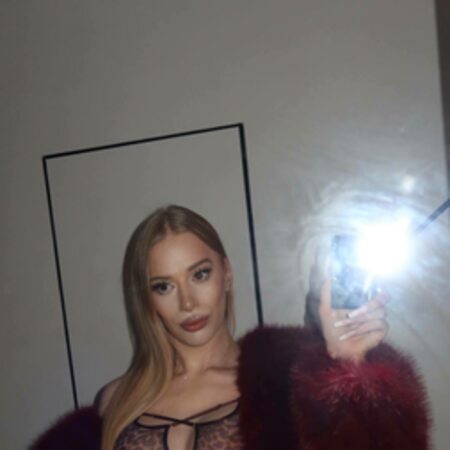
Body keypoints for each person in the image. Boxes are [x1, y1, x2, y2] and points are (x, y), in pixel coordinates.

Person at [29, 205, 430, 450]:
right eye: (164, 286)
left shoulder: (284, 382)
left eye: (200, 274)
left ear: (227, 273)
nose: (188, 303)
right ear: (146, 298)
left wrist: (349, 369)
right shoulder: (117, 400)